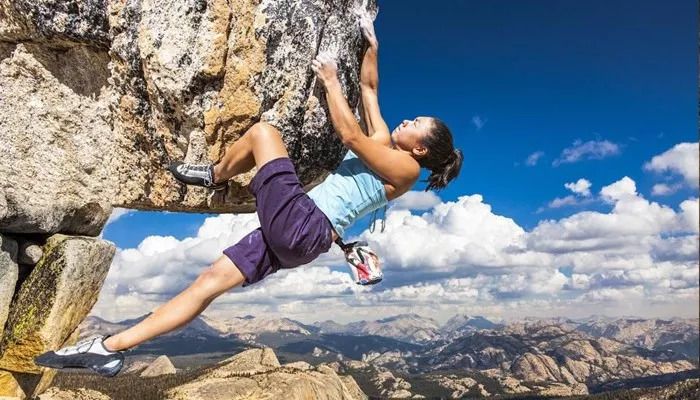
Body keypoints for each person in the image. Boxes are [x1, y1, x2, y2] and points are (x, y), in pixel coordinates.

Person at [34, 15, 463, 376]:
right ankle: (109, 349)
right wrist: (372, 42)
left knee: (264, 132)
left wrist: (331, 80)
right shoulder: (387, 143)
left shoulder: (405, 170)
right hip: (303, 238)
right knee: (207, 284)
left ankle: (216, 174)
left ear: (421, 149)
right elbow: (369, 90)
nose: (407, 119)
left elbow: (350, 135)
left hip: (304, 222)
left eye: (417, 122)